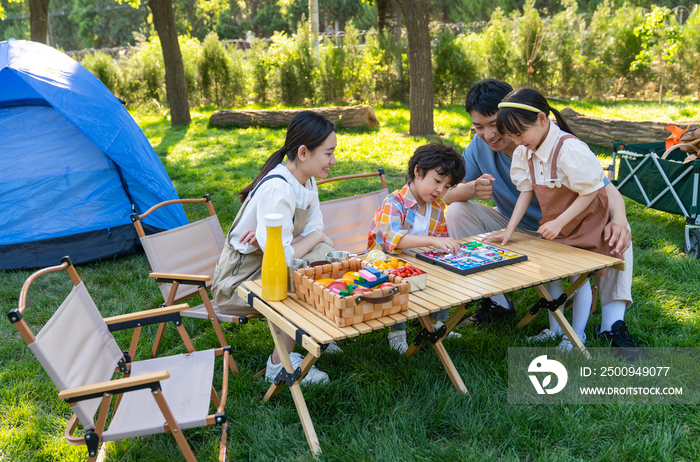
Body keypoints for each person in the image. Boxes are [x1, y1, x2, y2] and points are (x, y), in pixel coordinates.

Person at [443, 79, 641, 357]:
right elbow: (446, 195)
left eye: (492, 124)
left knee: (618, 228)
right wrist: (471, 189)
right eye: (478, 127)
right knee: (457, 209)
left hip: (567, 228)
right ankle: (497, 301)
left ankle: (612, 323)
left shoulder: (562, 146)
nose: (487, 135)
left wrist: (618, 218)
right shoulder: (481, 147)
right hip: (520, 229)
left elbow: (604, 189)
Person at [211, 111, 340, 385]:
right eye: (328, 153)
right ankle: (279, 362)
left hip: (267, 269)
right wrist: (315, 237)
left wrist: (312, 239)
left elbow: (311, 237)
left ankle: (314, 332)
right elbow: (286, 255)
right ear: (303, 152)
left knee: (324, 259)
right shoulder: (278, 189)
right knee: (302, 274)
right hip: (238, 283)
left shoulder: (307, 181)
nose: (334, 160)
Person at [482, 87, 611, 351]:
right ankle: (555, 329)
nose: (517, 141)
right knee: (550, 274)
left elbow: (590, 193)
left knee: (578, 277)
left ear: (542, 120)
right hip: (556, 220)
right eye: (512, 136)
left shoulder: (570, 149)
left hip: (583, 220)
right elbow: (526, 192)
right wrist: (509, 230)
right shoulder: (526, 151)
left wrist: (559, 223)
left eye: (520, 134)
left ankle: (576, 336)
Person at [367, 143, 466, 354]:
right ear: (418, 172)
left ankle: (436, 321)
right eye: (437, 181)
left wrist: (443, 248)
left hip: (418, 260)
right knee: (397, 284)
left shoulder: (438, 207)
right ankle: (397, 330)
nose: (440, 190)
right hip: (386, 264)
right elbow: (391, 240)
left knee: (445, 269)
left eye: (447, 186)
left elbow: (440, 239)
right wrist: (431, 241)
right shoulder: (395, 202)